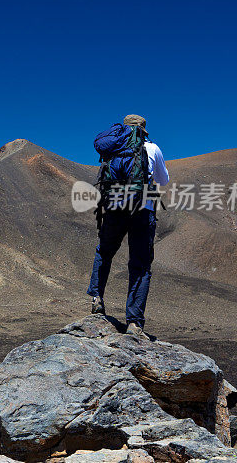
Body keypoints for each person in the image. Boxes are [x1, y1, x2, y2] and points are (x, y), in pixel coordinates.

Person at [87, 114, 169, 339]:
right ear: (144, 130)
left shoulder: (113, 148)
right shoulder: (152, 148)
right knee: (140, 266)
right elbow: (163, 180)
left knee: (104, 252)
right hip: (143, 208)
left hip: (113, 205)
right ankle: (134, 323)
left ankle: (96, 298)